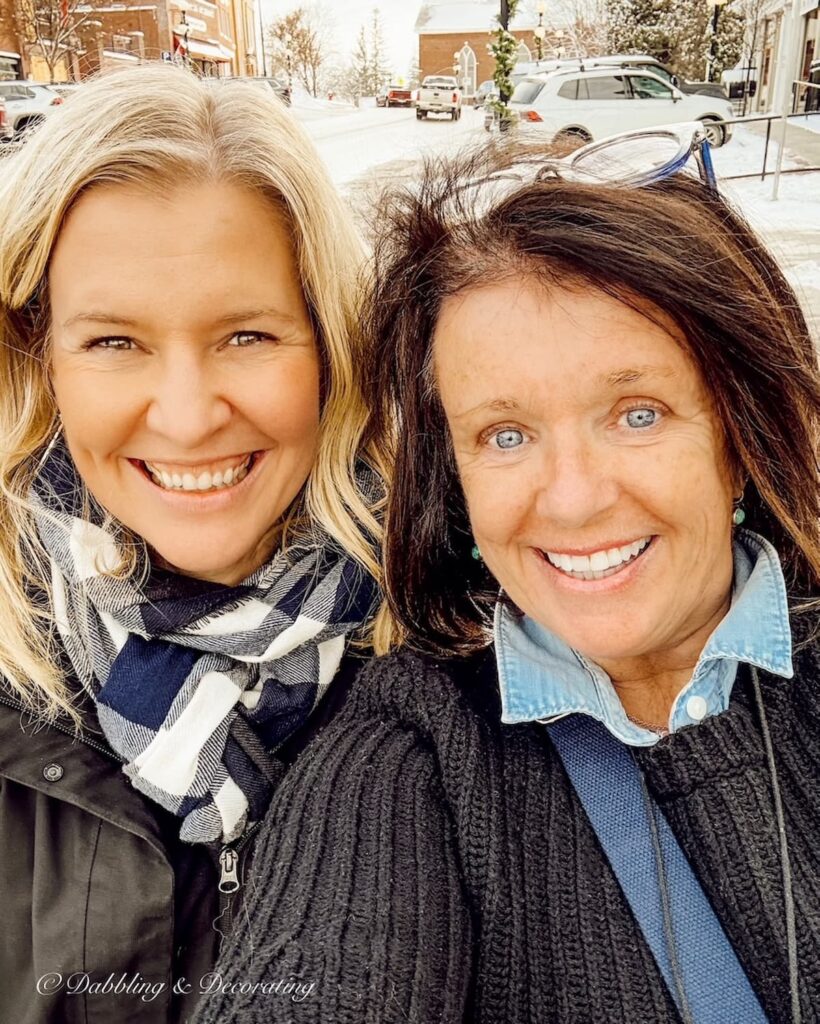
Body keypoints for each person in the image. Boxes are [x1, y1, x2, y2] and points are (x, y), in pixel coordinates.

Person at [195, 125, 820, 1023]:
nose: (569, 499)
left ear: (738, 436)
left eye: (637, 414)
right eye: (506, 435)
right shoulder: (408, 752)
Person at [0, 63, 386, 1024]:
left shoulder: (458, 641)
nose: (184, 417)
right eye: (114, 342)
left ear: (332, 345)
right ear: (37, 355)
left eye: (248, 336)